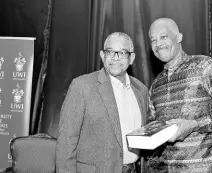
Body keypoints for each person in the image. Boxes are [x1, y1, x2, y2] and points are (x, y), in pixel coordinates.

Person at [145, 18, 212, 173]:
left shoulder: (204, 66)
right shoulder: (156, 84)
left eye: (163, 36)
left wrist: (194, 125)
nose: (158, 44)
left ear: (179, 37)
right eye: (153, 39)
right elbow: (154, 130)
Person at [56, 32, 148, 173]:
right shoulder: (82, 86)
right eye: (110, 52)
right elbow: (66, 141)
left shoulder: (141, 90)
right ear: (102, 55)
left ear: (132, 58)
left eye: (122, 52)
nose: (115, 58)